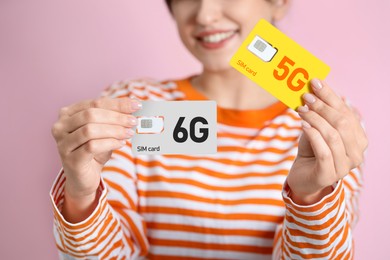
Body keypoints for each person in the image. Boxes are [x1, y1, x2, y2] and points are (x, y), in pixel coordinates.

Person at [50, 0, 367, 259]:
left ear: (280, 2)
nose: (204, 14)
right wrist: (81, 194)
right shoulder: (132, 106)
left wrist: (310, 197)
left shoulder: (328, 126)